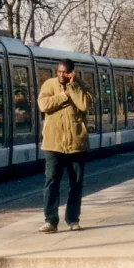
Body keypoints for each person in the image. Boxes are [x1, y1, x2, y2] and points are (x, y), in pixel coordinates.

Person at [37, 58, 93, 233]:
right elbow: (44, 105)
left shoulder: (82, 86)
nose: (61, 75)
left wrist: (73, 87)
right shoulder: (48, 85)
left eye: (65, 72)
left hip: (76, 144)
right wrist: (64, 96)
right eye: (59, 71)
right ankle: (50, 220)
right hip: (53, 144)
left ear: (72, 73)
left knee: (76, 184)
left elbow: (84, 105)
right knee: (51, 181)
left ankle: (72, 219)